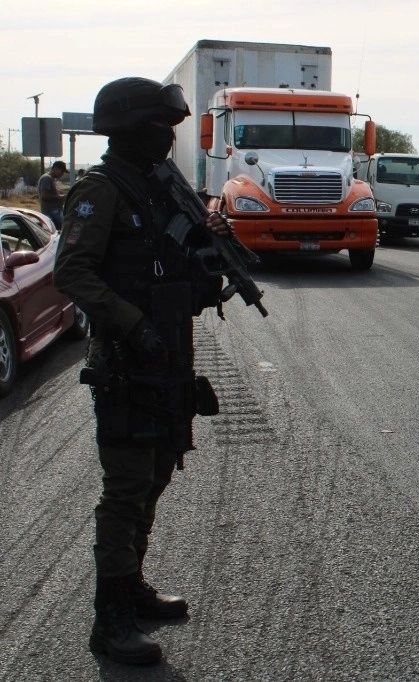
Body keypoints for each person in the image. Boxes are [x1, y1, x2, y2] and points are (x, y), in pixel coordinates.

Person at [53, 76, 231, 666]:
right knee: (126, 489)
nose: (168, 136)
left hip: (169, 356)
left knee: (156, 474)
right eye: (159, 126)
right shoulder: (100, 192)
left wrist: (210, 257)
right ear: (130, 127)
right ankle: (111, 622)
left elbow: (176, 277)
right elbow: (74, 274)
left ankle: (132, 588)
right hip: (127, 363)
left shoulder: (160, 191)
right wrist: (132, 323)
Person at [38, 160, 68, 229]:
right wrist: (60, 197)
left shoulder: (52, 179)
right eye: (62, 171)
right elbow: (44, 196)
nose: (62, 174)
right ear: (56, 169)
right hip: (51, 212)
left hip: (55, 211)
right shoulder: (46, 178)